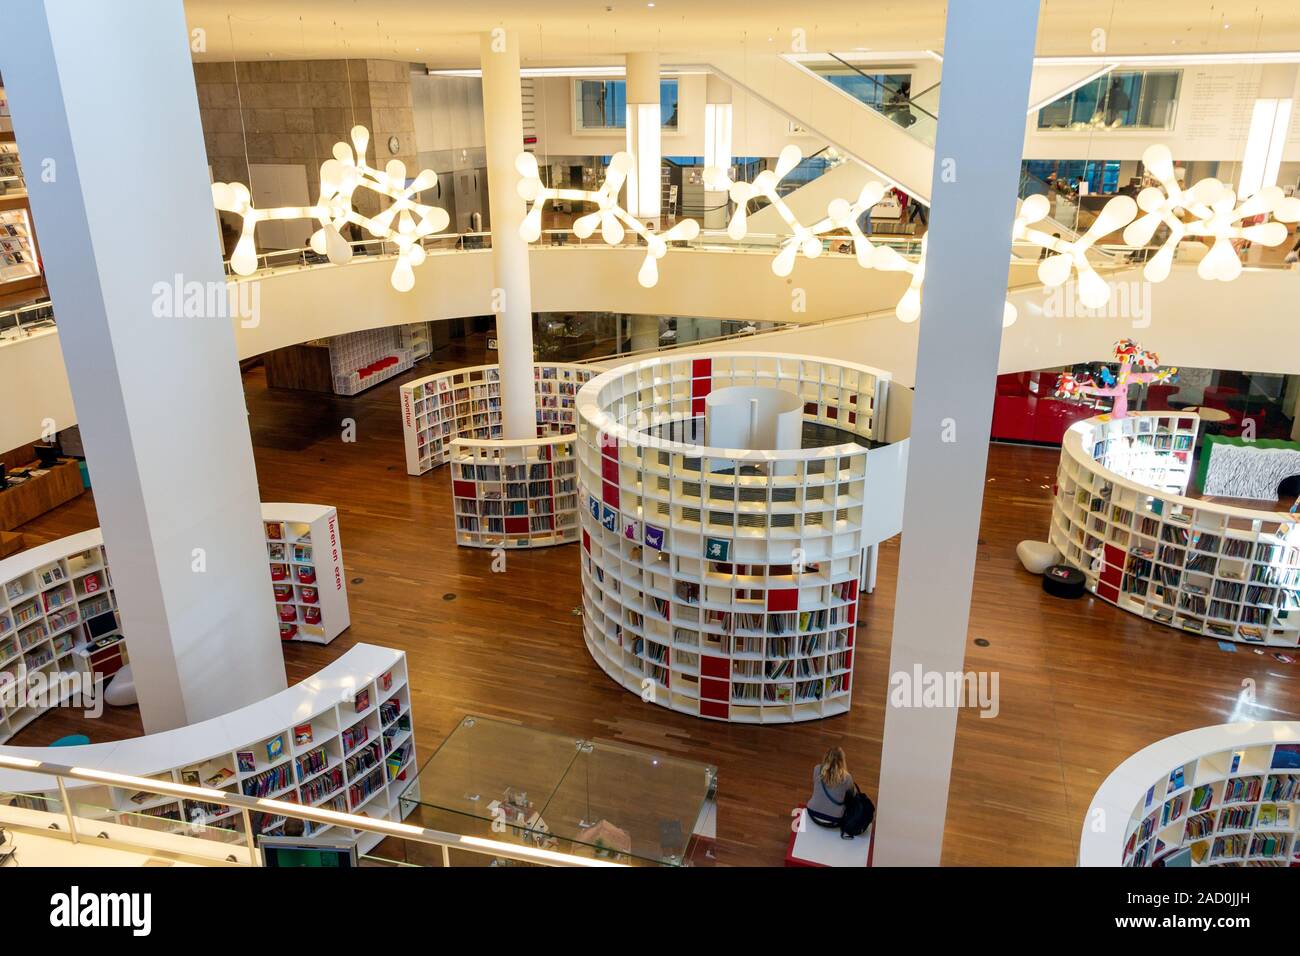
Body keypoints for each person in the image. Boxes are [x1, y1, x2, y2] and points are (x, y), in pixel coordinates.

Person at [806, 746, 855, 827]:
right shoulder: (847, 777)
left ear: (826, 757)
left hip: (812, 812)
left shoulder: (817, 769)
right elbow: (851, 794)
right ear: (842, 761)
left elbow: (815, 783)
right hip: (834, 819)